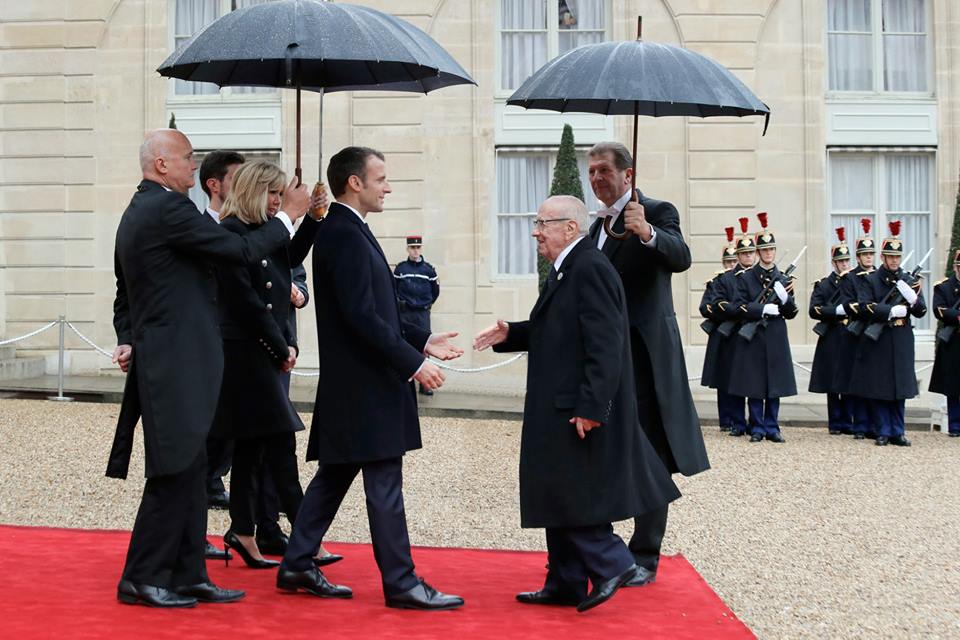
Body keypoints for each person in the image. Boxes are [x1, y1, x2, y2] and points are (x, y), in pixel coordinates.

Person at [107, 128, 310, 608]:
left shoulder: (151, 210)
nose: (193, 166)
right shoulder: (165, 209)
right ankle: (142, 577)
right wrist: (287, 215)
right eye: (187, 158)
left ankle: (187, 573)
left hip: (180, 360)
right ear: (161, 165)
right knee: (174, 471)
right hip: (175, 363)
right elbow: (239, 252)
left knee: (192, 467)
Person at [278, 146, 465, 610]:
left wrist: (421, 341)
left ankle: (298, 561)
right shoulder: (341, 232)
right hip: (366, 386)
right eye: (381, 178)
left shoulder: (347, 229)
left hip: (359, 386)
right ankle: (401, 583)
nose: (388, 186)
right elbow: (361, 318)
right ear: (355, 183)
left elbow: (378, 310)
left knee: (335, 474)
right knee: (384, 483)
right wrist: (414, 363)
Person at [473, 196, 680, 612]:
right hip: (557, 402)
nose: (535, 231)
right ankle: (566, 581)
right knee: (556, 489)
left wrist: (592, 406)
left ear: (570, 227)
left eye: (542, 223)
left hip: (574, 406)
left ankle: (614, 562)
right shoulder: (570, 266)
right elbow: (560, 328)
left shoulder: (589, 267)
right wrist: (511, 333)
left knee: (567, 491)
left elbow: (607, 345)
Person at [585, 142, 709, 587]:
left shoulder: (655, 210)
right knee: (604, 448)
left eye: (604, 171)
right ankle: (600, 547)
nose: (596, 178)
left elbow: (680, 256)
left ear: (628, 174)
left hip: (644, 356)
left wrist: (647, 233)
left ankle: (645, 555)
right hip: (604, 356)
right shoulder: (595, 225)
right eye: (592, 171)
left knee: (651, 452)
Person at [210, 160, 321, 569]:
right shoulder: (231, 235)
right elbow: (249, 306)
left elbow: (289, 257)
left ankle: (243, 530)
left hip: (266, 352)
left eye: (280, 194)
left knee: (254, 449)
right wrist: (281, 348)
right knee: (279, 444)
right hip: (247, 355)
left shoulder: (262, 233)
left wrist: (311, 218)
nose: (277, 201)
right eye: (272, 193)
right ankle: (307, 536)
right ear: (255, 191)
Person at [197, 150, 245, 563]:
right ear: (215, 184)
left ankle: (220, 485)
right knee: (201, 438)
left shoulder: (251, 228)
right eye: (237, 178)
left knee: (232, 431)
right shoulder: (197, 228)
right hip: (207, 347)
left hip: (243, 350)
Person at [848, 221, 926, 446]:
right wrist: (889, 311)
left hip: (901, 337)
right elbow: (864, 307)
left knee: (900, 386)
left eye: (897, 257)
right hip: (880, 337)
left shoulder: (908, 280)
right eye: (890, 256)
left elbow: (921, 311)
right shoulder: (871, 279)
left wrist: (911, 298)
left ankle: (898, 430)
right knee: (880, 385)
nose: (894, 260)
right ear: (882, 257)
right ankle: (882, 430)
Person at [727, 212, 798, 443]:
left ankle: (772, 426)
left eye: (771, 250)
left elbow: (792, 312)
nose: (768, 253)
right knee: (755, 384)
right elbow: (737, 306)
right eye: (764, 250)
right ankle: (757, 426)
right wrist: (761, 310)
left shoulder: (783, 279)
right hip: (755, 334)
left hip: (775, 334)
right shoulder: (747, 278)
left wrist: (785, 299)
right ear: (758, 252)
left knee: (774, 384)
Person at [714, 218, 757, 437]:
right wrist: (737, 311)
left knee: (754, 381)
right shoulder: (727, 279)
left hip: (754, 335)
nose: (748, 256)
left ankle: (755, 422)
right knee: (734, 381)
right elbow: (717, 303)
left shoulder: (758, 277)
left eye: (751, 253)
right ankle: (736, 422)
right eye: (744, 253)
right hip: (734, 334)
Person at [808, 227, 854, 435]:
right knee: (833, 380)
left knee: (850, 379)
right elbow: (814, 309)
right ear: (834, 263)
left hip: (851, 333)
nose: (845, 264)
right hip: (833, 334)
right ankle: (835, 422)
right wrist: (834, 310)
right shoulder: (825, 284)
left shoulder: (856, 282)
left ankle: (850, 420)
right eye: (841, 261)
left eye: (847, 261)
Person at [837, 218, 878, 440]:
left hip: (876, 335)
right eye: (865, 254)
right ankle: (860, 424)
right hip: (857, 332)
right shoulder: (850, 278)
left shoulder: (879, 277)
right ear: (859, 257)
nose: (868, 257)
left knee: (874, 381)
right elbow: (848, 304)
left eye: (871, 254)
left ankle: (873, 423)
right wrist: (869, 309)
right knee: (858, 381)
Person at [699, 226, 739, 432]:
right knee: (723, 379)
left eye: (734, 261)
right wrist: (725, 311)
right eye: (729, 262)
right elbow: (705, 307)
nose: (732, 265)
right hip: (722, 335)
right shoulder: (715, 282)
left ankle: (739, 420)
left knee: (738, 378)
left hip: (738, 335)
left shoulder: (743, 281)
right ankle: (725, 420)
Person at [394, 235, 440, 396]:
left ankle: (425, 384)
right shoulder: (401, 269)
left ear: (421, 249)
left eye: (418, 247)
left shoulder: (428, 270)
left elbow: (435, 292)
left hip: (421, 313)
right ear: (407, 249)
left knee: (424, 347)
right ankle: (406, 382)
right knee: (405, 345)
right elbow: (394, 289)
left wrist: (425, 304)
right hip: (405, 312)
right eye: (412, 248)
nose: (415, 251)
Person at [929, 250, 960, 438]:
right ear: (956, 267)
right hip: (954, 339)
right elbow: (939, 310)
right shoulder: (945, 287)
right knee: (953, 385)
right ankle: (955, 425)